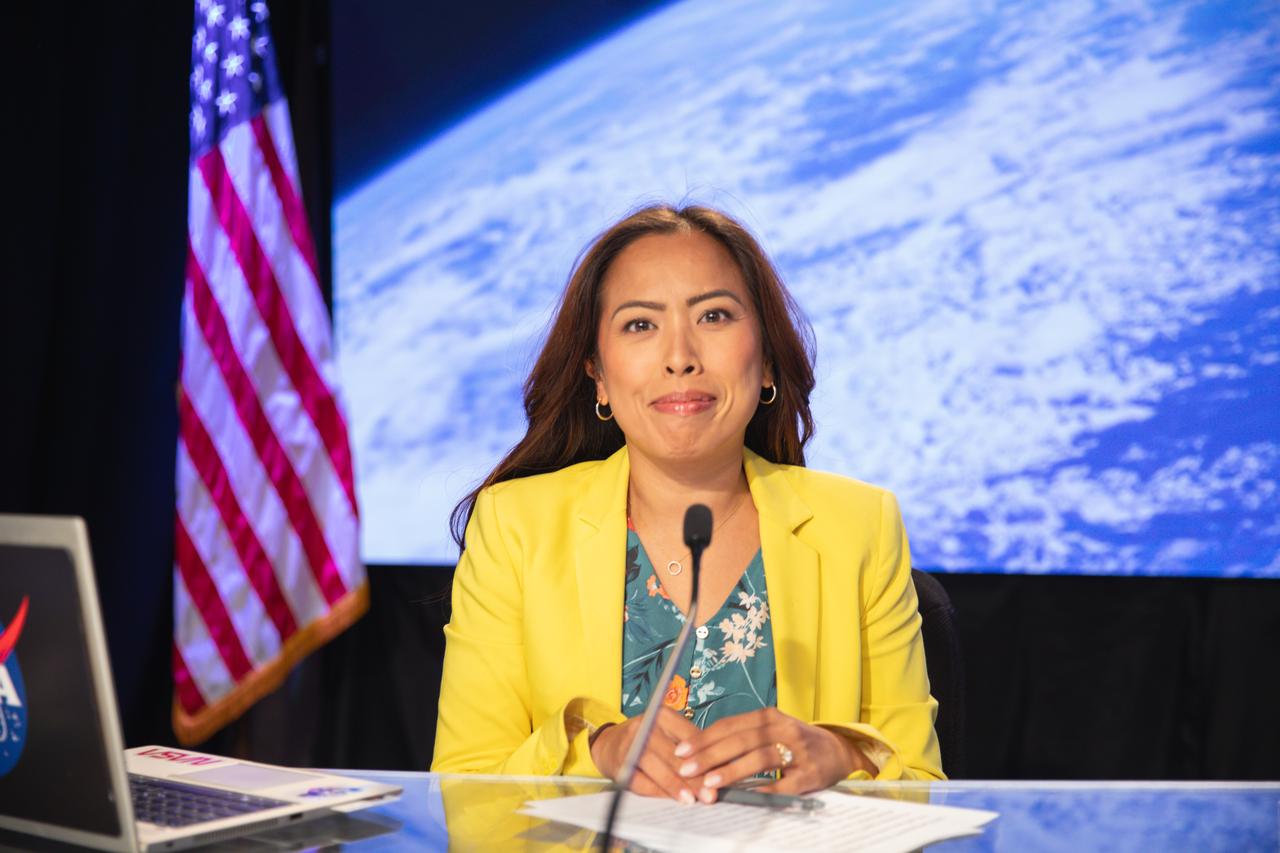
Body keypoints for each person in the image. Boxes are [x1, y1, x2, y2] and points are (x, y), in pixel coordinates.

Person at [431, 205, 944, 804]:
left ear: (767, 359)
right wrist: (593, 752)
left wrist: (844, 756)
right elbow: (463, 792)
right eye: (640, 325)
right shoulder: (515, 527)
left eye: (714, 316)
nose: (680, 356)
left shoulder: (857, 526)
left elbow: (922, 790)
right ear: (598, 375)